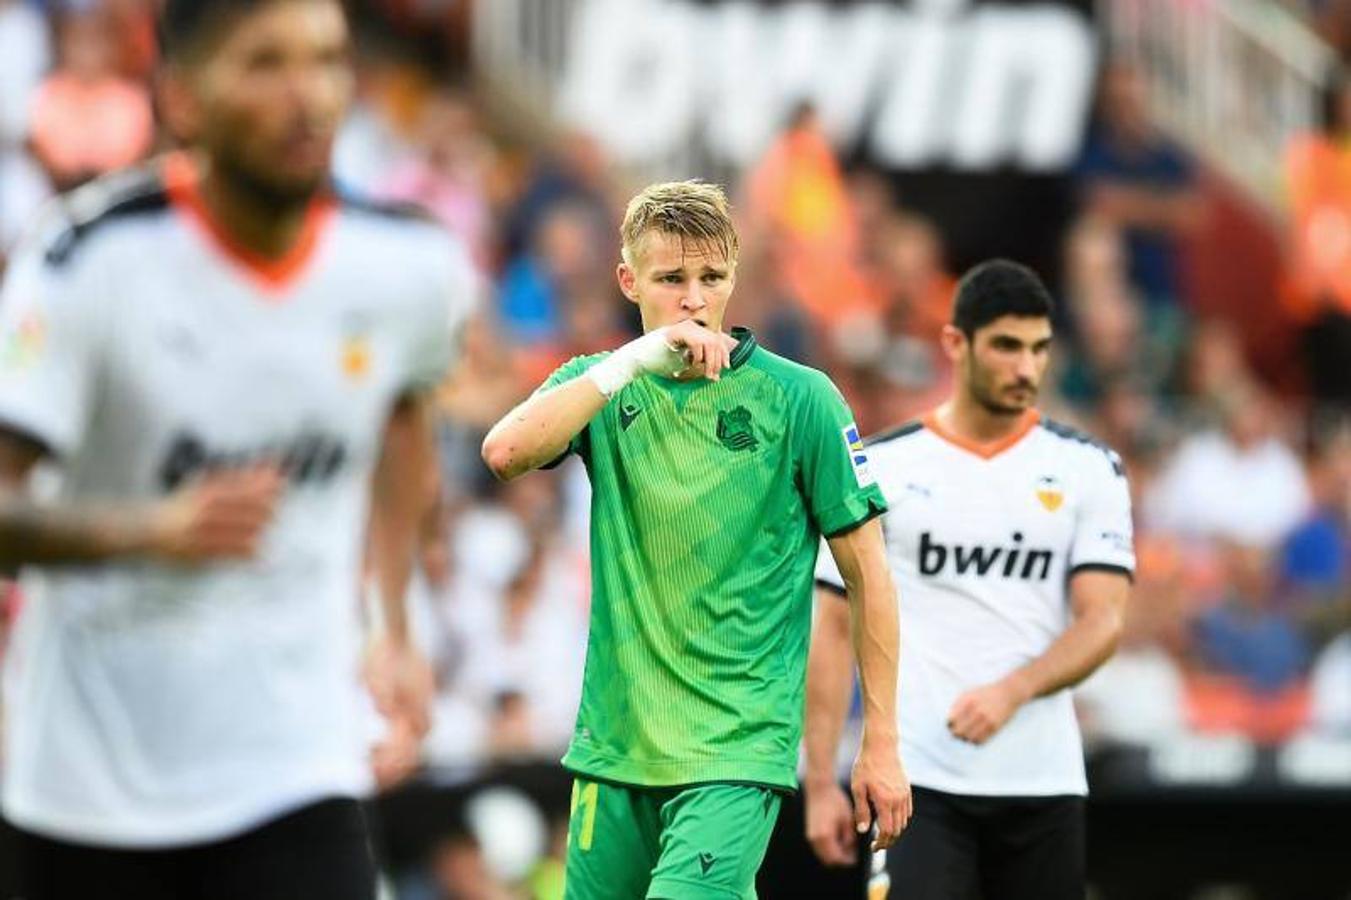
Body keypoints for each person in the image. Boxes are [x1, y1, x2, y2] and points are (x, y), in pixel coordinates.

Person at [0, 0, 474, 896]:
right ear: (183, 99)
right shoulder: (84, 261)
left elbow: (403, 418)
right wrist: (147, 531)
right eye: (266, 64)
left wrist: (396, 628)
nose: (311, 96)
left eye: (328, 60)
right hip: (90, 789)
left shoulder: (405, 268)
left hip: (293, 769)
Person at [481, 180, 911, 900]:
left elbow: (869, 574)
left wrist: (882, 741)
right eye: (670, 279)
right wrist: (629, 365)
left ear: (733, 278)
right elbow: (502, 452)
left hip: (734, 753)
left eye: (710, 278)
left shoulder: (801, 400)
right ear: (628, 282)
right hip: (614, 750)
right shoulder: (601, 385)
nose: (693, 299)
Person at [806, 259, 1134, 900]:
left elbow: (1104, 620)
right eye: (1007, 346)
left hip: (1043, 780)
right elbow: (834, 626)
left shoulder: (1089, 469)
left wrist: (1014, 690)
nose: (1027, 368)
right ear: (956, 344)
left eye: (1039, 349)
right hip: (916, 779)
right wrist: (820, 780)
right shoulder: (882, 466)